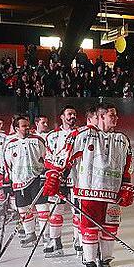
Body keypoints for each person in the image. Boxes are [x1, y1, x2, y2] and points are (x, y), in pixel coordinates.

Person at [45, 103, 134, 267]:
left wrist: (126, 185)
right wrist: (55, 175)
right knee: (90, 229)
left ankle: (106, 262)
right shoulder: (82, 134)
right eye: (111, 115)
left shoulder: (122, 139)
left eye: (116, 115)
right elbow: (65, 155)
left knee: (110, 230)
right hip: (89, 191)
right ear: (100, 117)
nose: (116, 118)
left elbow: (127, 165)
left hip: (112, 193)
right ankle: (91, 263)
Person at [0, 115, 48, 247]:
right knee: (23, 209)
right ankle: (30, 234)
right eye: (24, 126)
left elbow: (47, 158)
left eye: (28, 125)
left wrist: (45, 175)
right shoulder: (10, 144)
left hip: (37, 179)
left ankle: (46, 236)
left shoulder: (38, 140)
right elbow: (7, 165)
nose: (28, 128)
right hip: (19, 182)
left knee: (42, 208)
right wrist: (7, 182)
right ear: (16, 128)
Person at [44, 106, 78, 258]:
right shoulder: (52, 136)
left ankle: (79, 241)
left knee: (77, 211)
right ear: (62, 117)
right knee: (55, 212)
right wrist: (54, 172)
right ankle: (55, 241)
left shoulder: (81, 133)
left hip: (77, 178)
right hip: (59, 178)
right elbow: (48, 157)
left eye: (74, 114)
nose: (72, 116)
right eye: (69, 114)